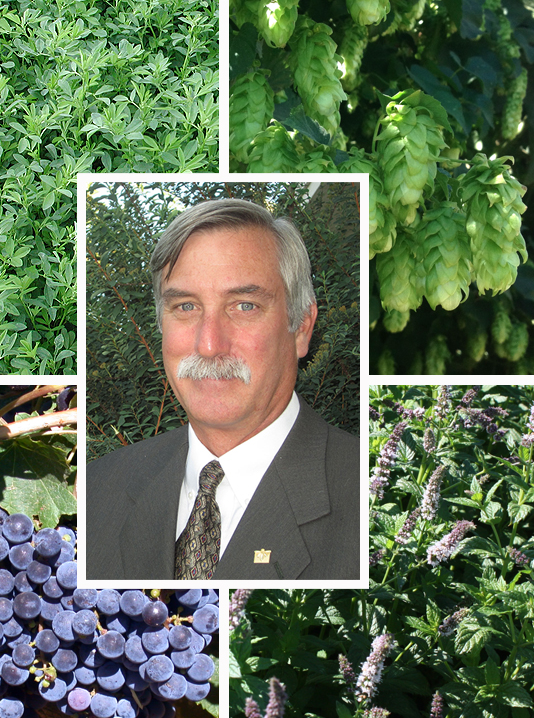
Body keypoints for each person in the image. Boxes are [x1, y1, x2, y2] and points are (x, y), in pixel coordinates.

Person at [87, 197, 360, 580]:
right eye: (186, 307)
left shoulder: (367, 496)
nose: (209, 344)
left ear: (301, 327)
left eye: (244, 306)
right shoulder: (96, 491)